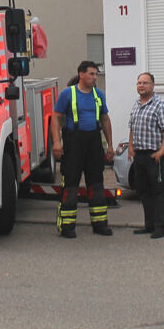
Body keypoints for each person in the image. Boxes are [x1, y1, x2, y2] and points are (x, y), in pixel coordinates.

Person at [51, 61, 114, 238]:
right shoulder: (67, 94)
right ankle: (67, 226)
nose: (95, 77)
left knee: (96, 184)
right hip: (74, 143)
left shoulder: (98, 94)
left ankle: (100, 224)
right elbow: (56, 117)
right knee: (71, 186)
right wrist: (56, 142)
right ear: (81, 74)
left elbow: (105, 119)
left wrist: (110, 145)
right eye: (91, 74)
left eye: (96, 74)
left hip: (94, 142)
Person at [127, 72, 164, 239]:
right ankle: (149, 225)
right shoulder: (136, 105)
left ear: (153, 85)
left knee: (160, 192)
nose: (141, 85)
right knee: (143, 191)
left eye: (145, 83)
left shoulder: (161, 105)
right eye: (139, 83)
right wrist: (131, 147)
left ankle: (161, 227)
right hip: (139, 156)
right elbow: (132, 127)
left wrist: (162, 150)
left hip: (155, 155)